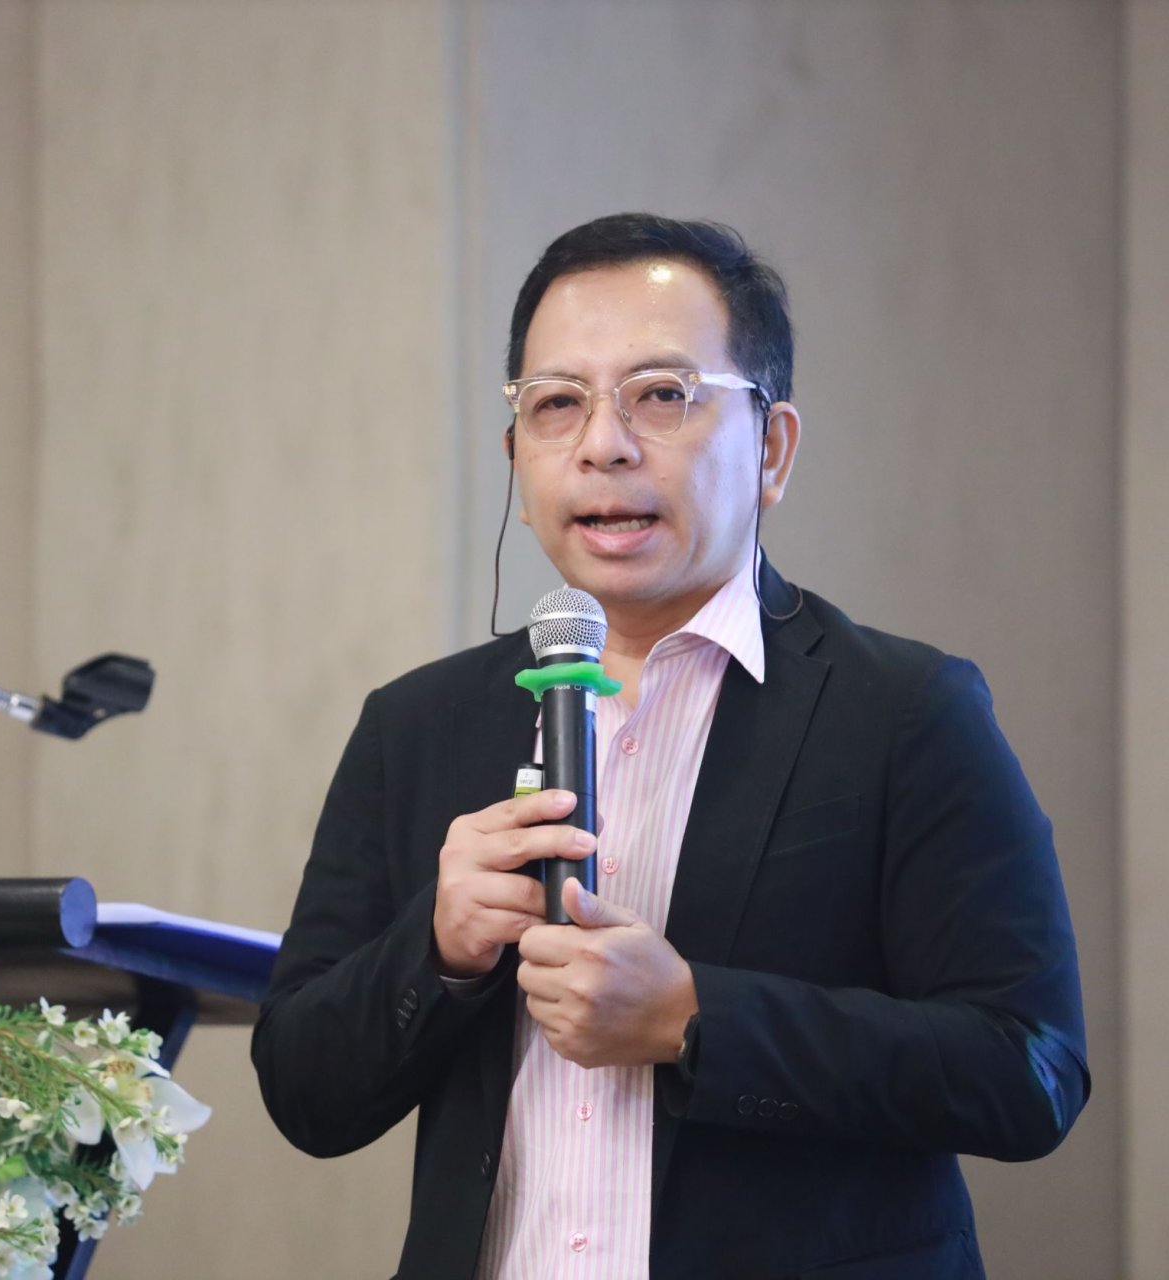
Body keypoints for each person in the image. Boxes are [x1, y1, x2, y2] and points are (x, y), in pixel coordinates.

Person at [252, 214, 1088, 1280]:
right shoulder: (417, 724)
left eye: (661, 394)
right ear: (517, 458)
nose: (602, 444)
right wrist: (440, 946)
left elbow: (1027, 1068)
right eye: (557, 403)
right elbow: (304, 1090)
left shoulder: (906, 711)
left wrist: (695, 1018)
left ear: (771, 449)